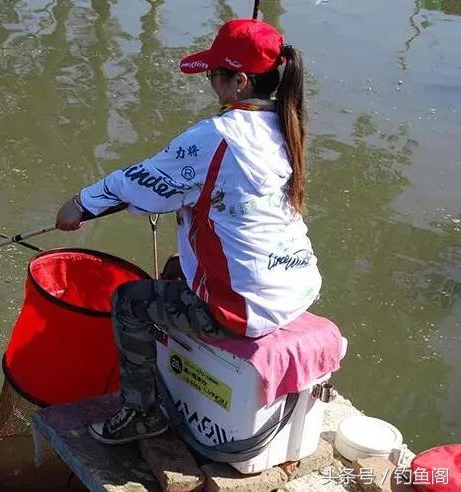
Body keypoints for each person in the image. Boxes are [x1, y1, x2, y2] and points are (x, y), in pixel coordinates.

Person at [54, 19, 321, 445]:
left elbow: (140, 183)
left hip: (245, 307)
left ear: (240, 81)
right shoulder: (287, 125)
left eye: (215, 74)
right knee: (177, 267)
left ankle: (140, 413)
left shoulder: (218, 136)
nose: (210, 82)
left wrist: (80, 204)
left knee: (129, 301)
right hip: (296, 286)